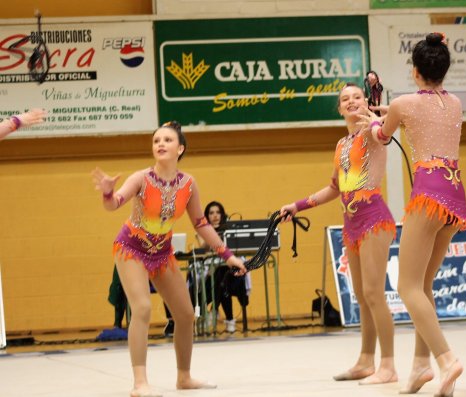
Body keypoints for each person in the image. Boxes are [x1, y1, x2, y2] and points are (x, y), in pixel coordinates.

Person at [91, 121, 246, 397]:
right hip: (131, 248)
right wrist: (106, 192)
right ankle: (140, 383)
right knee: (142, 309)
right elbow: (113, 204)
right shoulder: (141, 178)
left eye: (167, 140)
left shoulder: (188, 184)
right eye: (156, 140)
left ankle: (184, 377)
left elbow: (201, 223)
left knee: (186, 314)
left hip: (161, 252)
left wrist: (228, 255)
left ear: (180, 148)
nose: (160, 144)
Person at [359, 33, 466, 396]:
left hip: (428, 195)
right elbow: (411, 119)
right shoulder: (454, 102)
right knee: (424, 285)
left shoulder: (403, 103)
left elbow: (381, 135)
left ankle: (446, 359)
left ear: (415, 72)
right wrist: (387, 114)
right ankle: (420, 367)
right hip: (455, 194)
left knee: (405, 285)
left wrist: (371, 119)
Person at [280, 83, 398, 385]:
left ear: (366, 101)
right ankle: (365, 360)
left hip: (374, 218)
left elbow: (384, 135)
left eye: (357, 97)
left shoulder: (373, 131)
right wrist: (298, 205)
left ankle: (388, 365)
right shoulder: (342, 144)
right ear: (339, 107)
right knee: (362, 296)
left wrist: (373, 116)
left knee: (374, 293)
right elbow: (335, 187)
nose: (351, 101)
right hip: (352, 223)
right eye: (345, 99)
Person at [164, 201, 250, 335]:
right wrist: (213, 235)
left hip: (228, 271)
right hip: (208, 273)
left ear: (222, 214)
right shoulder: (202, 232)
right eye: (211, 213)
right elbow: (205, 248)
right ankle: (227, 318)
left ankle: (215, 311)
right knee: (220, 277)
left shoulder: (230, 230)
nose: (215, 216)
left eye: (218, 212)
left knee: (223, 274)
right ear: (207, 216)